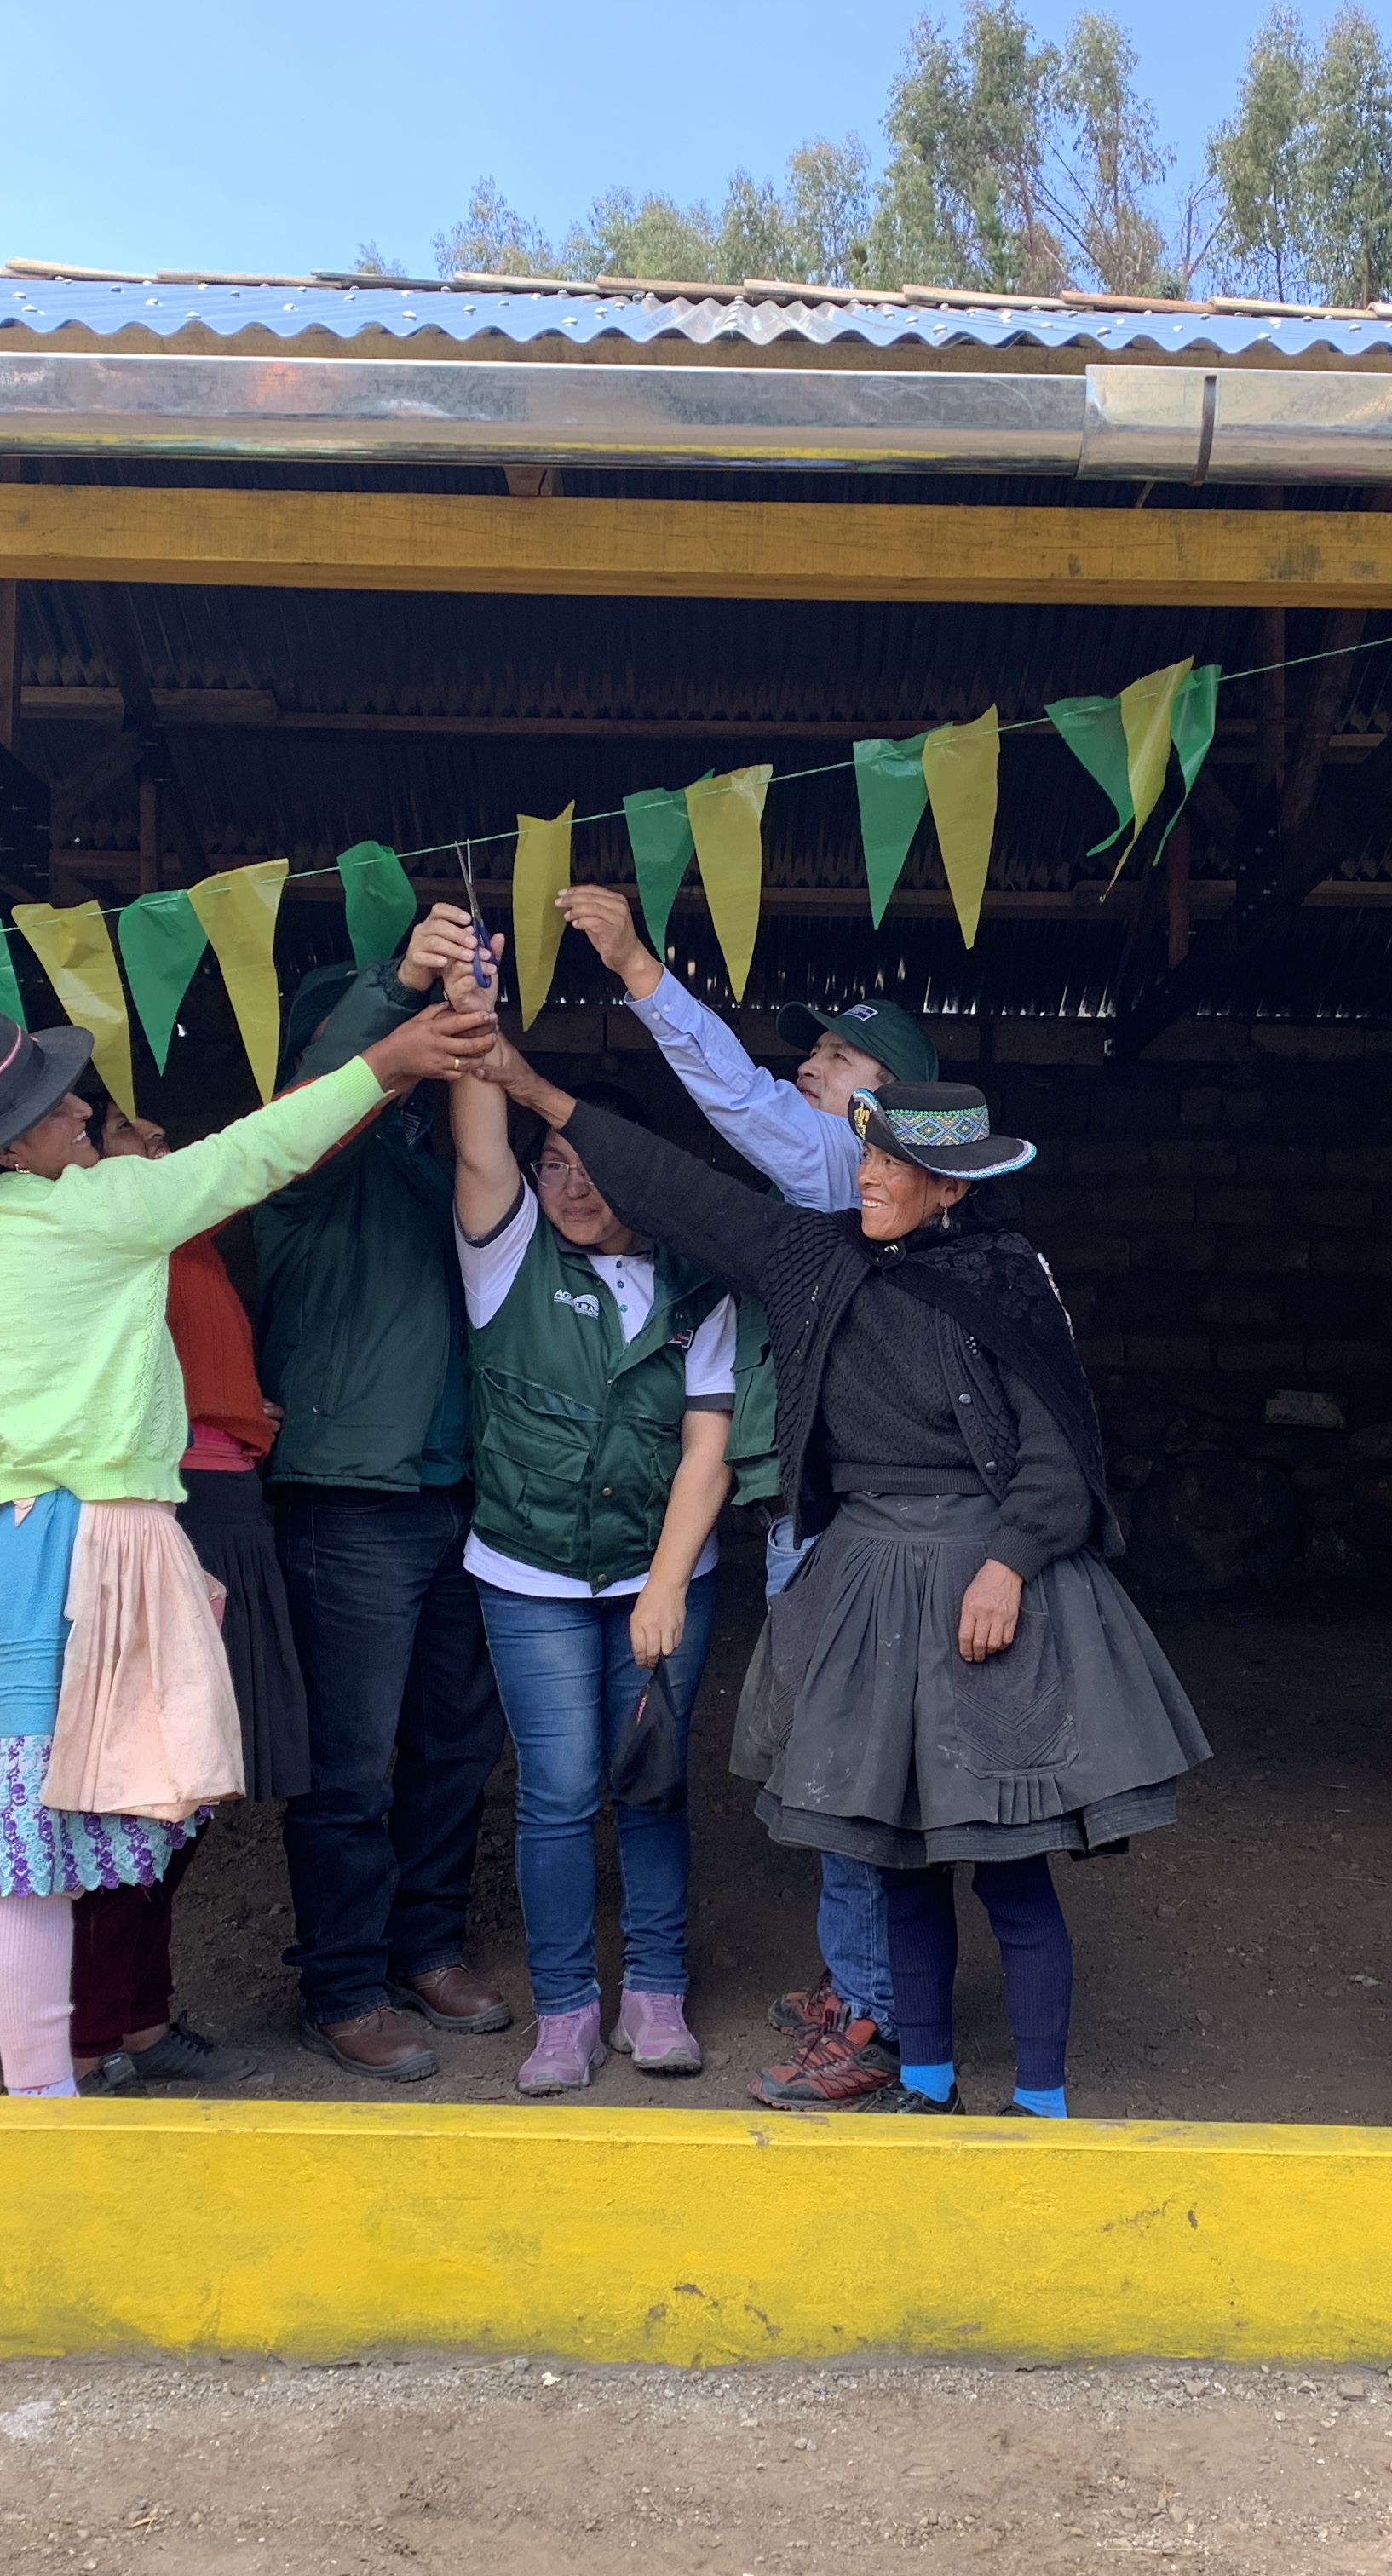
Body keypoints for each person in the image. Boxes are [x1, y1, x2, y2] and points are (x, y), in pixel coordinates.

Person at [484, 1033, 1209, 2118]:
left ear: (951, 1187)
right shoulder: (818, 1259)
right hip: (870, 1579)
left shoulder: (1009, 1284)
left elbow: (1063, 1452)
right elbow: (681, 1193)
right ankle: (923, 2081)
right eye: (863, 1157)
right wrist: (536, 1090)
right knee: (902, 1855)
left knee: (1008, 1863)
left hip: (987, 1581)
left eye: (888, 1165)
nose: (863, 1176)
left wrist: (1008, 1564)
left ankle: (1044, 2101)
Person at [0, 999, 480, 2097]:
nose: (80, 1108)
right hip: (69, 1563)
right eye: (55, 1105)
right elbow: (252, 1155)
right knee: (34, 1872)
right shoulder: (93, 1213)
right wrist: (384, 1062)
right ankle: (43, 2101)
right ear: (13, 1142)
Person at [555, 878, 936, 2109]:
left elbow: (735, 1097)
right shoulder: (818, 1202)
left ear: (879, 1092)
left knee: (849, 1771)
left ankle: (874, 2018)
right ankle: (864, 1989)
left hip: (845, 1532)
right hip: (815, 1526)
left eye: (830, 1055)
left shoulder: (842, 1164)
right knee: (834, 1766)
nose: (808, 1072)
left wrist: (640, 970)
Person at [250, 912, 521, 2081]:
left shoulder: (425, 1159)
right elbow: (318, 1102)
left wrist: (467, 1014)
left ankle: (423, 1946)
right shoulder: (293, 1167)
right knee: (352, 1762)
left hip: (460, 1490)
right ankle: (343, 1984)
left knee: (453, 1745)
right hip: (348, 1496)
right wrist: (399, 990)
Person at [447, 1055, 737, 2092]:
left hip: (659, 1573)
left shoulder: (700, 1283)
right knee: (559, 1793)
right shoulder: (509, 1256)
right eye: (554, 1164)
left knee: (650, 1783)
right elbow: (482, 1145)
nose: (571, 1187)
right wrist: (476, 1020)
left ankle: (657, 1994)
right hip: (528, 1576)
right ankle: (566, 2012)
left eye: (595, 1168)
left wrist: (664, 1585)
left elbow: (709, 1447)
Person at [65, 1106, 306, 2096]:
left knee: (183, 1796)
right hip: (168, 1510)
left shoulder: (190, 1247)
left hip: (224, 1501)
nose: (164, 1151)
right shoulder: (109, 1236)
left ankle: (141, 2013)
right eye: (139, 1137)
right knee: (139, 1786)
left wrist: (244, 1415)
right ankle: (86, 2035)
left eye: (166, 1140)